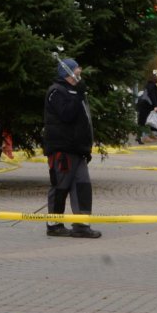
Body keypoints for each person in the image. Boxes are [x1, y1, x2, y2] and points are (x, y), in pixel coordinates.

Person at [43, 57, 100, 238]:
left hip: (78, 150)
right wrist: (78, 94)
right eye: (76, 71)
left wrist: (86, 147)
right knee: (61, 187)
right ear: (67, 73)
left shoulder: (76, 92)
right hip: (63, 149)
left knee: (83, 186)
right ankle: (54, 224)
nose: (79, 74)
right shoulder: (56, 92)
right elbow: (67, 114)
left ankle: (81, 225)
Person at [135, 71, 157, 145]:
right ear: (154, 79)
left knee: (141, 122)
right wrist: (156, 106)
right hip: (151, 106)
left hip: (145, 106)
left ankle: (138, 137)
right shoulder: (152, 86)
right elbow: (153, 97)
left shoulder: (147, 86)